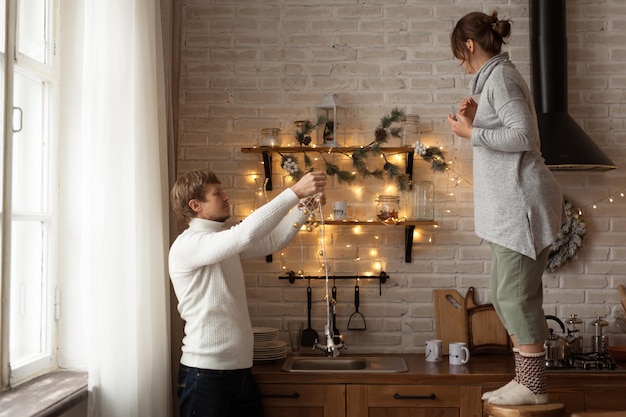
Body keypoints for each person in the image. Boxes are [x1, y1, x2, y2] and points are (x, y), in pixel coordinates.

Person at [447, 11, 563, 406]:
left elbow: (523, 136)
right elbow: (510, 128)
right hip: (512, 209)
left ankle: (532, 386)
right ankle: (526, 381)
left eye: (460, 54)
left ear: (469, 45)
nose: (462, 63)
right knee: (505, 292)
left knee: (514, 296)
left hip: (521, 206)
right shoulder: (496, 80)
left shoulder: (500, 78)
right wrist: (479, 120)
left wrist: (471, 132)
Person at [169, 169, 326, 417]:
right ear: (195, 205)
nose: (225, 197)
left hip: (240, 372)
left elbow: (271, 241)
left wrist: (304, 207)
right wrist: (294, 192)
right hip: (205, 375)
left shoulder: (220, 242)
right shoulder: (189, 244)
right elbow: (243, 235)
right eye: (216, 193)